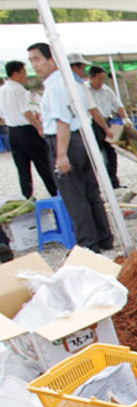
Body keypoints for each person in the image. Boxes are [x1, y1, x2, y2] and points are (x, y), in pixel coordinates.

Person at [31, 42, 114, 253]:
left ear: (52, 59)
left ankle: (88, 244)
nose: (34, 65)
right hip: (81, 138)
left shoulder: (57, 86)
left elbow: (63, 123)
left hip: (66, 141)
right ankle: (103, 238)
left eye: (37, 59)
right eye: (31, 61)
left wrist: (61, 154)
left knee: (75, 196)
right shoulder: (72, 83)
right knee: (90, 192)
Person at [0, 60, 57, 200]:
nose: (25, 75)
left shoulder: (2, 89)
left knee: (23, 167)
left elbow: (2, 114)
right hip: (26, 131)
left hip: (12, 132)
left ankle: (26, 196)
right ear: (16, 73)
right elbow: (26, 111)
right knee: (43, 163)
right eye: (24, 72)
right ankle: (55, 192)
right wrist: (38, 127)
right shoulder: (18, 89)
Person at [86, 65, 128, 189]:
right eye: (99, 79)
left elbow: (117, 105)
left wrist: (125, 118)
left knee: (111, 152)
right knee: (94, 154)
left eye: (103, 79)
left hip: (107, 120)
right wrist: (105, 128)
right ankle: (95, 185)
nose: (101, 82)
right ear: (91, 78)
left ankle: (113, 182)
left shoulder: (106, 90)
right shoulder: (85, 90)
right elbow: (93, 111)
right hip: (92, 124)